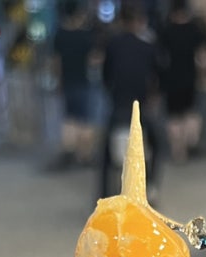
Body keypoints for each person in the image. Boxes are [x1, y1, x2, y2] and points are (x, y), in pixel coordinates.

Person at [100, 0, 162, 199]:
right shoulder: (147, 47)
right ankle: (151, 187)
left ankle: (104, 194)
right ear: (139, 21)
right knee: (156, 144)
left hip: (119, 106)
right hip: (141, 109)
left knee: (105, 155)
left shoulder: (112, 45)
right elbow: (156, 77)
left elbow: (106, 76)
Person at [157, 0, 206, 162]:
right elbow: (202, 58)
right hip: (189, 78)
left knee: (173, 116)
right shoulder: (195, 30)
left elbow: (160, 58)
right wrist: (203, 76)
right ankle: (187, 144)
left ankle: (177, 151)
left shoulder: (166, 31)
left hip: (171, 79)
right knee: (189, 112)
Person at [53, 0, 100, 166]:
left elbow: (56, 62)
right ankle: (85, 155)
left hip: (67, 82)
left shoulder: (60, 34)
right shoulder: (85, 35)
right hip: (83, 81)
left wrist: (58, 81)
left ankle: (69, 152)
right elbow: (94, 59)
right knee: (85, 119)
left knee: (69, 118)